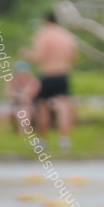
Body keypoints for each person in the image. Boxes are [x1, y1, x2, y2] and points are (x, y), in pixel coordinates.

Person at [23, 11, 78, 150]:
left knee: (43, 107)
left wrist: (27, 54)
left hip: (47, 74)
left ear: (46, 21)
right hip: (63, 73)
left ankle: (42, 139)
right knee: (64, 106)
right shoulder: (66, 35)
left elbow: (39, 56)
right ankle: (64, 139)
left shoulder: (43, 35)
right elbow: (74, 56)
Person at [0, 61, 40, 134]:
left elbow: (30, 97)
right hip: (15, 104)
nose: (22, 75)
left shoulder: (33, 81)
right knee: (2, 111)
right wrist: (21, 95)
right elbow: (8, 94)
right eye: (19, 73)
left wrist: (18, 95)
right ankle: (1, 135)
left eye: (23, 73)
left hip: (29, 106)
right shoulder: (12, 80)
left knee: (24, 113)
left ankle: (23, 134)